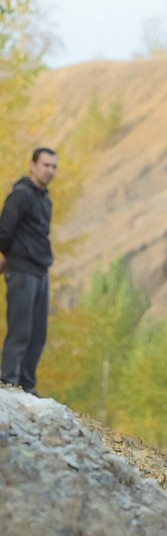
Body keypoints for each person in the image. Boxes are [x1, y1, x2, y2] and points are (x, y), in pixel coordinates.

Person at [0, 147, 57, 394]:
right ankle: (8, 382)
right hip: (21, 270)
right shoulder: (21, 195)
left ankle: (26, 385)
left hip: (40, 272)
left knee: (37, 335)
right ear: (33, 166)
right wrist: (7, 258)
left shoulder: (45, 199)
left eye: (54, 166)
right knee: (20, 331)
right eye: (45, 165)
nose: (50, 171)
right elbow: (4, 231)